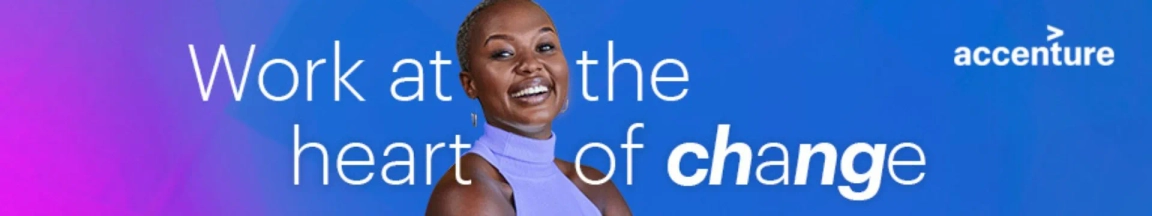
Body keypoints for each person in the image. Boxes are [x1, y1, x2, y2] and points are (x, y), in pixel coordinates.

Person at [425, 0, 631, 215]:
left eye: (544, 47)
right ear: (470, 84)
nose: (531, 64)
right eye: (503, 53)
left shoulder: (593, 187)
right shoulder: (466, 194)